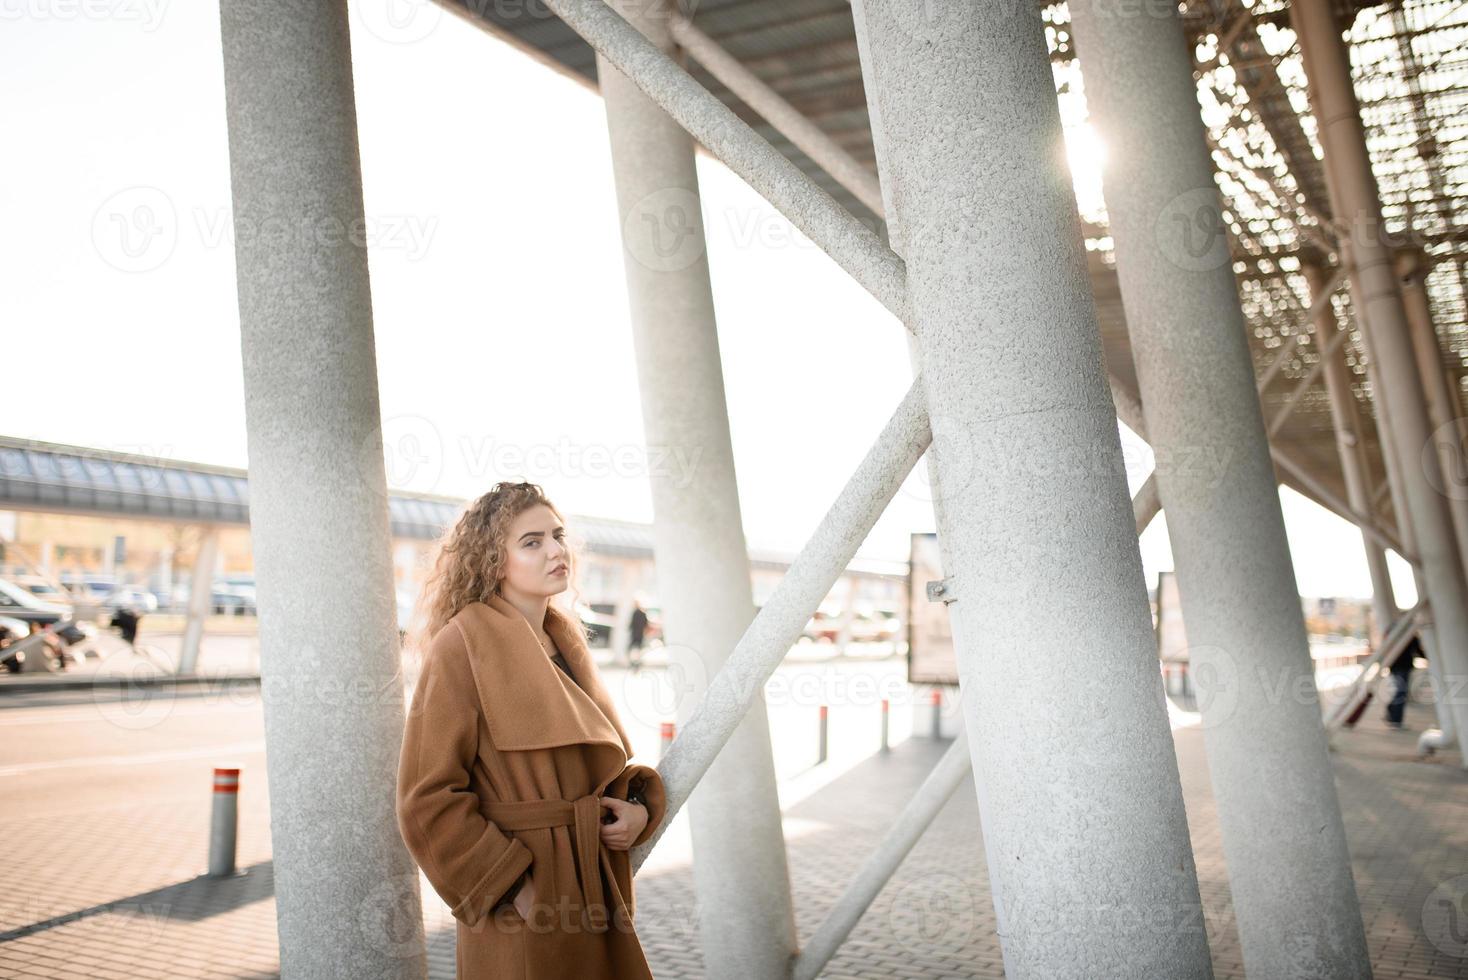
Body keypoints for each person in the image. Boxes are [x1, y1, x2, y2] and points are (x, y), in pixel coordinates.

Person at [396, 481, 666, 979]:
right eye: (532, 542)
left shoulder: (564, 640)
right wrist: (511, 887)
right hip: (522, 891)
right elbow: (425, 795)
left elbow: (592, 766)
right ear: (492, 560)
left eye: (558, 536)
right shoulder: (461, 644)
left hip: (591, 880)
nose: (556, 551)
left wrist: (635, 810)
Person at [1385, 632, 1421, 729]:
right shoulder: (1411, 634)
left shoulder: (1393, 632)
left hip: (1393, 665)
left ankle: (1392, 711)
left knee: (1400, 691)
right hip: (1403, 666)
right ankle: (1396, 719)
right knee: (1401, 692)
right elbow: (1418, 650)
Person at [627, 599, 648, 671]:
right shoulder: (643, 614)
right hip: (641, 635)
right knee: (639, 649)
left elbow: (631, 625)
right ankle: (638, 662)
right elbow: (646, 625)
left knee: (631, 649)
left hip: (634, 634)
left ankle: (633, 662)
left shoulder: (635, 613)